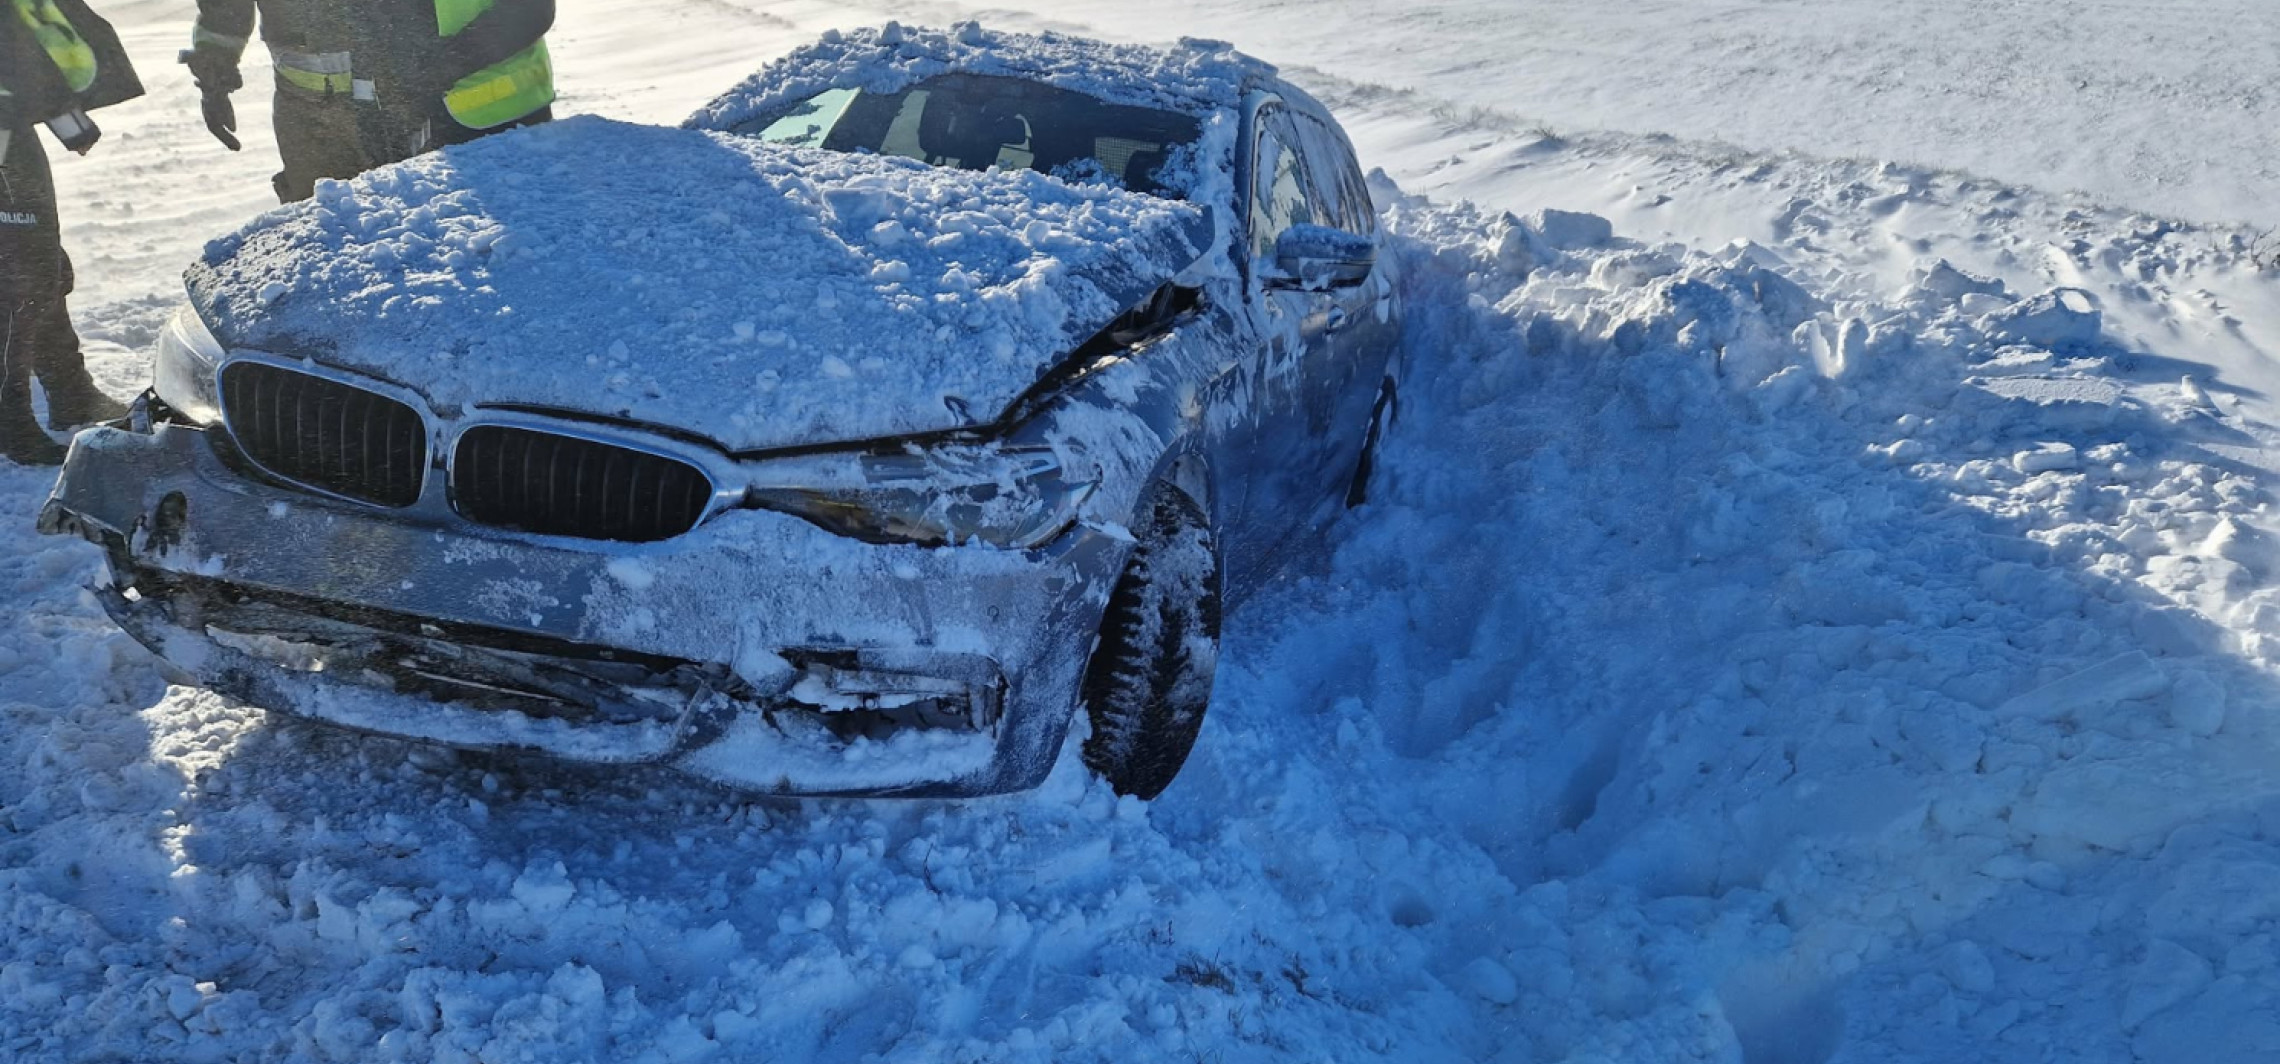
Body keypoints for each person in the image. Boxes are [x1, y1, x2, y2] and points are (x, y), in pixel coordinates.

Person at [182, 0, 555, 203]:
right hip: (312, 117)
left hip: (462, 114)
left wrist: (436, 69)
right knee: (328, 250)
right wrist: (214, 66)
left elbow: (529, 9)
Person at [2, 0, 141, 465]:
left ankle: (69, 392)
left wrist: (66, 119)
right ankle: (11, 419)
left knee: (40, 264)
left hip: (12, 122)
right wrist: (66, 120)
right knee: (19, 277)